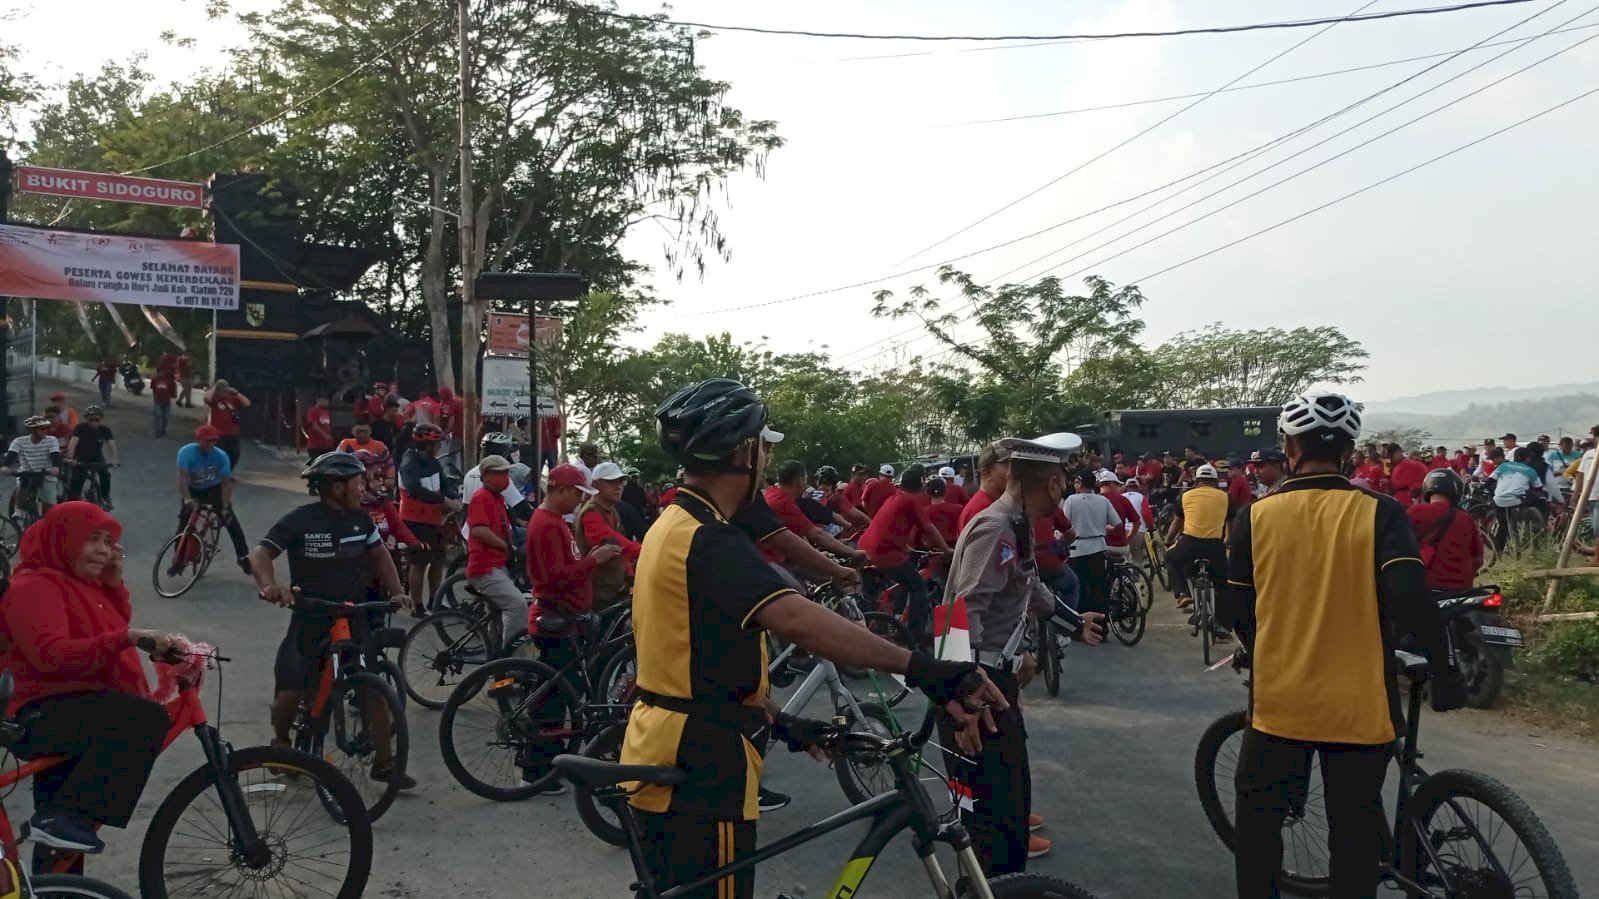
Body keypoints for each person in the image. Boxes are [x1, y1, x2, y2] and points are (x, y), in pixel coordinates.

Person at [621, 378, 1005, 899]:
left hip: (672, 745)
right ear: (744, 451)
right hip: (702, 764)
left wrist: (780, 720)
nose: (765, 458)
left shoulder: (675, 522)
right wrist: (928, 671)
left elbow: (692, 654)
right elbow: (801, 621)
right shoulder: (710, 540)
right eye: (762, 446)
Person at [1226, 391, 1465, 899]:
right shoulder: (1380, 512)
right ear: (1349, 451)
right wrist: (1442, 668)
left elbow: (1237, 613)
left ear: (1289, 448)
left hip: (1280, 705)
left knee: (1259, 827)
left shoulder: (1255, 517)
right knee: (1355, 839)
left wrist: (1263, 643)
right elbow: (1408, 597)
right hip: (1360, 705)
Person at [941, 437, 1107, 875]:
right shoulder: (995, 527)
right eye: (1065, 480)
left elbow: (1029, 585)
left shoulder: (1016, 525)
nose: (1066, 489)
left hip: (992, 682)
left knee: (1007, 809)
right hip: (978, 688)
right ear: (1052, 483)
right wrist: (963, 700)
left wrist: (1073, 620)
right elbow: (958, 613)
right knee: (990, 825)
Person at [0, 502, 175, 860]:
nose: (103, 550)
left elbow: (105, 624)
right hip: (38, 713)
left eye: (108, 541)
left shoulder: (77, 583)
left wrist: (112, 584)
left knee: (63, 848)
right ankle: (57, 821)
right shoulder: (34, 585)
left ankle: (57, 848)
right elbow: (50, 656)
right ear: (63, 540)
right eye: (91, 539)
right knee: (145, 718)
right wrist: (126, 638)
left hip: (75, 706)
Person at [250, 452, 415, 790]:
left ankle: (384, 763)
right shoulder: (301, 520)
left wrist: (398, 591)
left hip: (354, 616)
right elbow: (261, 553)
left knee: (373, 690)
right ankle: (281, 741)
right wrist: (269, 586)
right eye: (357, 481)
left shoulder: (362, 521)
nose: (362, 487)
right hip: (311, 617)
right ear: (338, 486)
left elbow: (380, 555)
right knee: (289, 692)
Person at [525, 463, 623, 790]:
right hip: (558, 616)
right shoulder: (548, 525)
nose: (581, 501)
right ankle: (539, 765)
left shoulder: (554, 522)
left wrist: (588, 559)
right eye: (579, 494)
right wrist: (594, 561)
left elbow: (565, 567)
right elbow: (554, 578)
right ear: (563, 490)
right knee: (555, 696)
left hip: (567, 615)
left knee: (560, 692)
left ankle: (548, 761)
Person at [860, 464, 951, 642]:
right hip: (884, 553)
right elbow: (929, 528)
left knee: (885, 586)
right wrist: (946, 550)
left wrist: (904, 547)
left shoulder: (895, 497)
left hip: (868, 547)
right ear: (920, 485)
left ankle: (879, 621)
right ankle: (913, 634)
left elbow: (891, 525)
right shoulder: (910, 501)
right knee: (918, 587)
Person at [464, 454, 532, 649]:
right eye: (499, 473)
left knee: (497, 617)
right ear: (485, 476)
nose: (505, 477)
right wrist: (505, 545)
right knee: (517, 605)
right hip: (485, 567)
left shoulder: (497, 498)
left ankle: (495, 659)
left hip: (497, 565)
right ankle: (508, 657)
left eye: (506, 473)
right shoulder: (481, 498)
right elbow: (478, 530)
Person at [174, 425, 252, 575]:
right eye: (206, 441)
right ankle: (179, 559)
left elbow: (226, 483)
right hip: (193, 489)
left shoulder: (221, 456)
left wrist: (224, 508)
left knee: (231, 521)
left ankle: (243, 557)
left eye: (213, 441)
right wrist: (187, 499)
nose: (210, 444)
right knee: (184, 523)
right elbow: (182, 479)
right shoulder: (186, 452)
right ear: (198, 440)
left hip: (213, 489)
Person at [398, 423, 459, 612]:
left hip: (434, 520)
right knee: (419, 563)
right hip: (415, 520)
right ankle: (417, 605)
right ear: (427, 445)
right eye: (437, 443)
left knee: (438, 560)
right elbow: (414, 489)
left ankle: (435, 600)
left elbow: (443, 482)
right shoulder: (409, 464)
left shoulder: (432, 462)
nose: (440, 446)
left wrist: (451, 494)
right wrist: (443, 499)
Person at [574, 461, 646, 610]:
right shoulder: (591, 513)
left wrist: (630, 575)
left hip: (615, 588)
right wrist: (647, 551)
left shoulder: (612, 510)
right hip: (599, 594)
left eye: (621, 482)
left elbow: (622, 552)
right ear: (596, 484)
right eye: (612, 482)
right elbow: (613, 542)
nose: (619, 486)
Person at [1164, 463, 1229, 615]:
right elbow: (1231, 525)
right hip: (1215, 546)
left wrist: (1168, 541)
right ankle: (1222, 628)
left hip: (1190, 543)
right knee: (1223, 584)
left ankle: (1183, 594)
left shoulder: (1185, 496)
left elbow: (1176, 523)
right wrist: (1227, 542)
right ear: (1215, 480)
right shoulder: (1226, 497)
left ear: (1196, 480)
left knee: (1170, 558)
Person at [1407, 468, 1483, 590]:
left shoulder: (1415, 512)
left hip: (1426, 586)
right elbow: (1478, 559)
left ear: (1427, 488)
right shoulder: (1465, 518)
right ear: (1456, 490)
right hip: (1462, 589)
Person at [1062, 471, 1121, 615]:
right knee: (1098, 588)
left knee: (1080, 588)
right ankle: (1101, 625)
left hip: (1077, 548)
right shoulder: (1103, 500)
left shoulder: (1071, 500)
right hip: (1098, 547)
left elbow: (1064, 525)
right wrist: (1104, 528)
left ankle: (1083, 623)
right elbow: (1117, 524)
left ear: (1080, 484)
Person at [1489, 446, 1543, 552]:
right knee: (1531, 500)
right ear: (1528, 459)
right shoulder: (1531, 471)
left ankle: (1498, 551)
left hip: (1499, 500)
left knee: (1503, 525)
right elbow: (1538, 487)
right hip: (1517, 500)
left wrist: (1481, 488)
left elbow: (1490, 480)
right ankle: (1525, 530)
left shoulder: (1503, 466)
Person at [4, 415, 63, 508]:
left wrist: (56, 467)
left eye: (46, 428)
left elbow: (55, 456)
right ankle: (19, 509)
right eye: (42, 429)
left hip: (45, 474)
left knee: (51, 506)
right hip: (26, 472)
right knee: (22, 486)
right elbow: (11, 455)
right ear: (32, 430)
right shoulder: (19, 441)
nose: (45, 431)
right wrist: (5, 467)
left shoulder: (51, 440)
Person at [65, 405, 118, 509]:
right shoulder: (80, 428)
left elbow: (111, 445)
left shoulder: (105, 430)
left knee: (105, 474)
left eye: (96, 420)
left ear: (100, 419)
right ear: (86, 419)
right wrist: (70, 458)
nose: (93, 422)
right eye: (90, 420)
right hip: (80, 456)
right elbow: (73, 443)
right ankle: (70, 504)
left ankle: (105, 497)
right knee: (77, 480)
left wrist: (114, 460)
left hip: (96, 456)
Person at [958, 443, 1011, 534]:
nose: (1014, 472)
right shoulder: (983, 509)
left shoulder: (990, 503)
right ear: (987, 473)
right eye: (1008, 466)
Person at [203, 380, 251, 469]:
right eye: (222, 390)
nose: (224, 392)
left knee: (235, 455)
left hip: (233, 432)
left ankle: (227, 472)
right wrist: (215, 387)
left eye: (225, 390)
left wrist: (236, 393)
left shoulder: (232, 398)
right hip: (219, 433)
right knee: (219, 455)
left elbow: (247, 403)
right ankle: (218, 474)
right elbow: (206, 398)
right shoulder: (215, 400)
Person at [815, 465, 870, 538]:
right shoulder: (835, 498)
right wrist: (874, 525)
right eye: (860, 474)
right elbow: (859, 515)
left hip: (812, 540)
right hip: (832, 540)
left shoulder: (809, 496)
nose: (863, 477)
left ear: (818, 482)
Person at [1097, 471, 1140, 562]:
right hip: (1120, 546)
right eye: (1118, 485)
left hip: (1099, 546)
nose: (1119, 488)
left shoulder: (1093, 500)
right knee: (1129, 560)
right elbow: (1137, 522)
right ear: (1112, 484)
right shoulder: (1122, 499)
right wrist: (1128, 538)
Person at [336, 418, 393, 487]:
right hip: (352, 480)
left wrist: (390, 477)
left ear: (370, 431)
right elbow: (337, 461)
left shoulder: (379, 445)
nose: (362, 434)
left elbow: (390, 464)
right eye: (358, 431)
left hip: (375, 481)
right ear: (352, 432)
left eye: (365, 431)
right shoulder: (345, 443)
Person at [304, 394, 336, 465]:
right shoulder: (313, 411)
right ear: (319, 400)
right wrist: (325, 435)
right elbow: (314, 425)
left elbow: (327, 426)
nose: (327, 402)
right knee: (317, 464)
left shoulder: (326, 412)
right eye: (325, 400)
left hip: (327, 445)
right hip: (315, 445)